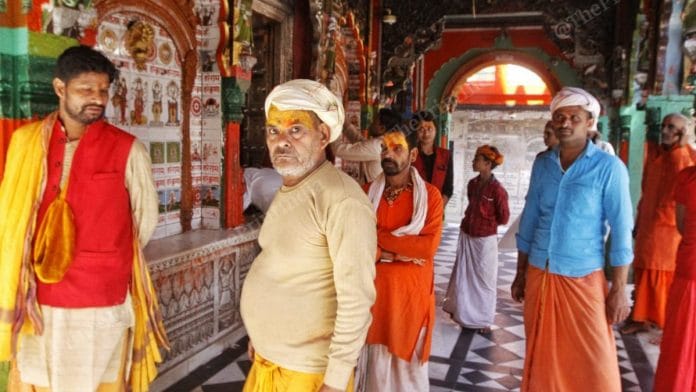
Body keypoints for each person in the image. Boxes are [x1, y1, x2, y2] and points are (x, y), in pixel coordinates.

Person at [0, 45, 165, 391]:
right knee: (38, 379)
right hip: (37, 298)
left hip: (101, 301)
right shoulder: (25, 143)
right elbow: (9, 218)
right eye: (86, 89)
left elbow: (144, 221)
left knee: (98, 381)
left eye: (103, 90)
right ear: (60, 89)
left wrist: (103, 254)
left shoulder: (128, 148)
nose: (98, 98)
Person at [240, 79, 377, 392]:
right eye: (273, 130)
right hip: (272, 358)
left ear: (324, 135)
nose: (281, 141)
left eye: (295, 129)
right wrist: (262, 337)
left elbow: (356, 299)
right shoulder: (288, 185)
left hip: (308, 374)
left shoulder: (341, 200)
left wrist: (336, 380)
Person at [511, 87, 634, 391]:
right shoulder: (543, 164)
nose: (565, 123)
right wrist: (520, 271)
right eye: (559, 117)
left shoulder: (609, 168)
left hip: (583, 279)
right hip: (540, 273)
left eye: (574, 117)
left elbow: (621, 230)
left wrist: (619, 289)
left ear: (589, 121)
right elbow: (529, 219)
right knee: (541, 356)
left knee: (595, 364)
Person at [364, 126, 443, 390]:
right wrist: (397, 253)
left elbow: (427, 248)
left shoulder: (429, 196)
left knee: (408, 373)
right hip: (374, 297)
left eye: (397, 148)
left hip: (411, 297)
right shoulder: (367, 193)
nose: (388, 154)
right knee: (375, 367)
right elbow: (359, 244)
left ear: (412, 155)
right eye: (384, 148)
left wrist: (378, 239)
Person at [622, 113, 695, 336]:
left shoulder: (683, 157)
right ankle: (642, 317)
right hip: (648, 223)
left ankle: (654, 319)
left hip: (667, 228)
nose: (665, 131)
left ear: (682, 132)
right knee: (645, 271)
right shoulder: (658, 154)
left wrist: (682, 146)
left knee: (657, 275)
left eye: (672, 127)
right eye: (664, 126)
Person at [444, 145, 509, 334]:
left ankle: (483, 319)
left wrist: (486, 222)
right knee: (465, 277)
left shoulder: (498, 190)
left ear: (488, 164)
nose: (473, 162)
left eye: (477, 159)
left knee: (484, 279)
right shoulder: (472, 184)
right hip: (467, 234)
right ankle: (464, 314)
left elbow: (504, 217)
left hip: (485, 240)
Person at [653, 164, 696, 392]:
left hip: (690, 269)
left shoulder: (688, 178)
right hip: (690, 271)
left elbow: (682, 225)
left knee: (682, 343)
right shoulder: (687, 178)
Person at [499, 121, 558, 249]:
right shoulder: (541, 158)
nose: (545, 137)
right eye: (544, 134)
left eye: (549, 134)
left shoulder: (569, 160)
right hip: (538, 207)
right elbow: (534, 188)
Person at [331, 108, 402, 185]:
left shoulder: (377, 146)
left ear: (382, 128)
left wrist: (334, 125)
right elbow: (359, 141)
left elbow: (337, 150)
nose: (370, 124)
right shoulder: (383, 143)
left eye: (374, 122)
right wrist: (344, 121)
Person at [412, 110, 454, 205]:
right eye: (421, 129)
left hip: (437, 205)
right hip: (414, 205)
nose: (426, 134)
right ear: (416, 132)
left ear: (435, 130)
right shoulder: (410, 154)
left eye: (429, 129)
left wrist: (438, 207)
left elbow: (448, 188)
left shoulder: (445, 155)